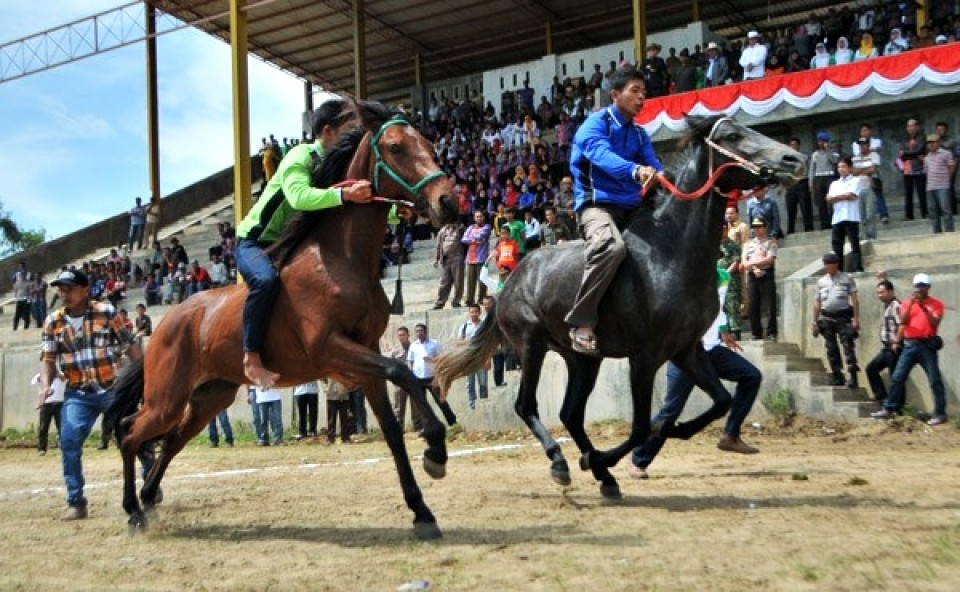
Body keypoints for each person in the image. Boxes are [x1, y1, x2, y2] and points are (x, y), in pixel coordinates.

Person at [235, 99, 372, 389]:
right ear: (328, 132)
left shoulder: (336, 166)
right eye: (349, 130)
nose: (355, 136)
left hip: (290, 243)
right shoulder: (300, 155)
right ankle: (251, 357)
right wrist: (345, 196)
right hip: (255, 242)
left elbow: (356, 201)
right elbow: (299, 197)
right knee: (265, 281)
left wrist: (395, 213)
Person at [38, 269, 155, 520]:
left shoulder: (107, 312)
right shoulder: (52, 322)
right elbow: (47, 359)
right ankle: (76, 502)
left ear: (85, 290)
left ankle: (151, 482)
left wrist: (144, 382)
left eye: (69, 289)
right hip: (77, 393)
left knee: (134, 438)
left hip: (113, 389)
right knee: (69, 441)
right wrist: (45, 386)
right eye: (61, 289)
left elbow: (131, 348)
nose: (64, 294)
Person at [627, 266, 761, 480]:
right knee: (671, 411)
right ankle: (638, 459)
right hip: (687, 354)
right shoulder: (682, 277)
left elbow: (719, 308)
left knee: (751, 376)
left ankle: (730, 435)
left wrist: (724, 331)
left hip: (712, 350)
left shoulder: (723, 276)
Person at [566, 65, 663, 354]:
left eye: (644, 92)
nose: (642, 97)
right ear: (615, 94)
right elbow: (602, 156)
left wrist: (663, 176)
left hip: (633, 208)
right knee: (612, 247)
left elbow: (655, 165)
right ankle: (582, 322)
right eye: (635, 91)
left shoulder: (640, 135)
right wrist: (635, 171)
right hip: (597, 206)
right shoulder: (594, 125)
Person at [871, 273, 948, 425]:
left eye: (922, 286)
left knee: (934, 380)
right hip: (910, 345)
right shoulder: (907, 303)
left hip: (927, 345)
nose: (919, 288)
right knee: (898, 377)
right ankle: (890, 408)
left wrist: (923, 307)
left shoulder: (936, 304)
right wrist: (913, 304)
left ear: (928, 287)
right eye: (917, 285)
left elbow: (934, 323)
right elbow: (903, 322)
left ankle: (940, 413)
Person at [812, 252, 860, 388]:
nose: (828, 267)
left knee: (848, 346)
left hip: (843, 316)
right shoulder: (821, 281)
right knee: (831, 348)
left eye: (830, 264)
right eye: (826, 265)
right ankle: (837, 375)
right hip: (827, 317)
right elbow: (817, 303)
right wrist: (814, 321)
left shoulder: (847, 278)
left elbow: (855, 300)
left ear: (836, 264)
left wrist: (856, 319)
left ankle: (853, 375)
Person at [408, 323, 457, 426]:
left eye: (421, 331)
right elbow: (410, 361)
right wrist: (411, 373)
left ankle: (452, 422)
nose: (419, 333)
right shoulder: (413, 345)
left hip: (432, 378)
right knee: (422, 404)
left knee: (441, 401)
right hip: (418, 378)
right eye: (417, 331)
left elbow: (442, 359)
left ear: (425, 332)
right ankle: (426, 425)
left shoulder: (434, 344)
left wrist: (431, 360)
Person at [865, 275, 901, 403]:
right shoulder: (887, 305)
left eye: (882, 292)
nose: (880, 295)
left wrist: (897, 342)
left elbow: (901, 325)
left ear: (890, 292)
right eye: (878, 293)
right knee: (871, 368)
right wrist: (881, 278)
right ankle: (881, 396)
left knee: (895, 377)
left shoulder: (896, 306)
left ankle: (897, 405)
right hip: (887, 348)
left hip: (894, 347)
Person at [741, 216, 778, 341]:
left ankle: (771, 333)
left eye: (760, 227)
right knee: (753, 304)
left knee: (769, 305)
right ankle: (756, 333)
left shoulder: (771, 241)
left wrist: (753, 264)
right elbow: (744, 262)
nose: (757, 230)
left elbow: (770, 259)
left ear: (765, 227)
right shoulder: (748, 244)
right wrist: (753, 267)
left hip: (766, 274)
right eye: (755, 227)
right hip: (752, 275)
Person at [826, 156, 865, 272]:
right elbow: (829, 199)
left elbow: (851, 195)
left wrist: (836, 197)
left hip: (851, 216)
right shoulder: (834, 183)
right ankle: (839, 270)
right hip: (837, 217)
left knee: (854, 243)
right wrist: (843, 196)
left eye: (843, 166)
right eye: (839, 167)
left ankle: (858, 267)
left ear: (850, 168)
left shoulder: (856, 180)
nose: (841, 169)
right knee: (837, 245)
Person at [388, 326, 422, 433]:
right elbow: (390, 367)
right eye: (399, 335)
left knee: (416, 406)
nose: (401, 337)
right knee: (398, 407)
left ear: (408, 335)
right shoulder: (395, 352)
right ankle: (399, 428)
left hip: (413, 382)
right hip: (400, 383)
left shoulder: (415, 348)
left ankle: (418, 427)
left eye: (403, 335)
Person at [924, 134, 956, 234]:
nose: (931, 144)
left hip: (943, 185)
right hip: (930, 187)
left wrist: (945, 180)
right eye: (929, 143)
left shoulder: (946, 153)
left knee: (945, 209)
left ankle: (949, 230)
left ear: (938, 142)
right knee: (932, 211)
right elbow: (927, 172)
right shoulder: (927, 157)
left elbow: (951, 168)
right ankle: (936, 231)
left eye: (933, 142)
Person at [458, 304, 489, 409]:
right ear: (469, 313)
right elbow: (460, 343)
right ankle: (472, 404)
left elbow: (487, 343)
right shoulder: (464, 327)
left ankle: (483, 403)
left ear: (479, 313)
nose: (473, 314)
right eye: (472, 312)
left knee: (483, 382)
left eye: (476, 312)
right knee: (470, 383)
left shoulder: (484, 326)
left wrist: (488, 359)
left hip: (481, 357)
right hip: (468, 359)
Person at [461, 210, 491, 307]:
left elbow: (481, 235)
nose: (479, 218)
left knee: (482, 280)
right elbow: (463, 239)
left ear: (484, 217)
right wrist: (474, 240)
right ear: (474, 218)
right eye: (477, 216)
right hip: (470, 258)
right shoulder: (470, 227)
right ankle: (469, 300)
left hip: (481, 257)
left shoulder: (487, 227)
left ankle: (482, 299)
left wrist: (470, 238)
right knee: (470, 281)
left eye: (480, 216)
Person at [898, 118, 927, 221]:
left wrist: (906, 153)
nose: (911, 128)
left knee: (921, 192)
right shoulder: (904, 139)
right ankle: (909, 215)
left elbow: (919, 150)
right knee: (908, 192)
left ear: (917, 127)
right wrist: (913, 154)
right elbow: (901, 154)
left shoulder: (922, 137)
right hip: (907, 168)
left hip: (919, 168)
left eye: (913, 125)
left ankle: (925, 213)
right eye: (909, 126)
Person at [432, 221, 465, 310]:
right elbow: (439, 245)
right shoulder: (443, 230)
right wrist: (436, 258)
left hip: (457, 257)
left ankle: (456, 301)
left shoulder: (460, 229)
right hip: (446, 259)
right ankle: (440, 302)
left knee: (458, 281)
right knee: (444, 282)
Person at [809, 131, 838, 230]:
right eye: (819, 141)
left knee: (831, 200)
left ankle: (834, 221)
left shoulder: (833, 153)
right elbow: (812, 169)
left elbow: (834, 161)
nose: (821, 143)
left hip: (830, 177)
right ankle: (824, 223)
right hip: (818, 178)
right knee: (821, 202)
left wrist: (828, 150)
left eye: (823, 141)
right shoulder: (815, 154)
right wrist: (811, 183)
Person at [784, 138, 814, 234]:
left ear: (799, 146)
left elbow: (810, 170)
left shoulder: (804, 157)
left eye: (795, 144)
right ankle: (790, 230)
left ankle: (808, 228)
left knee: (805, 206)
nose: (793, 146)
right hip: (791, 184)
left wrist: (810, 183)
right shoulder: (785, 158)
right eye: (792, 144)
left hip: (802, 182)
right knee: (790, 208)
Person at [32, 371, 65, 456]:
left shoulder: (61, 374)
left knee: (61, 426)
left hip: (59, 404)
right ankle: (42, 449)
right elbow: (34, 381)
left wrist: (57, 375)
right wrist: (44, 376)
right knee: (43, 427)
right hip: (46, 404)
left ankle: (63, 446)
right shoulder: (40, 375)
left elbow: (65, 379)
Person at [324, 378, 352, 444]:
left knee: (344, 419)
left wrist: (348, 387)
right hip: (331, 396)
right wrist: (325, 388)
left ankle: (345, 438)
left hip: (344, 396)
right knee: (331, 419)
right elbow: (322, 378)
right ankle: (330, 438)